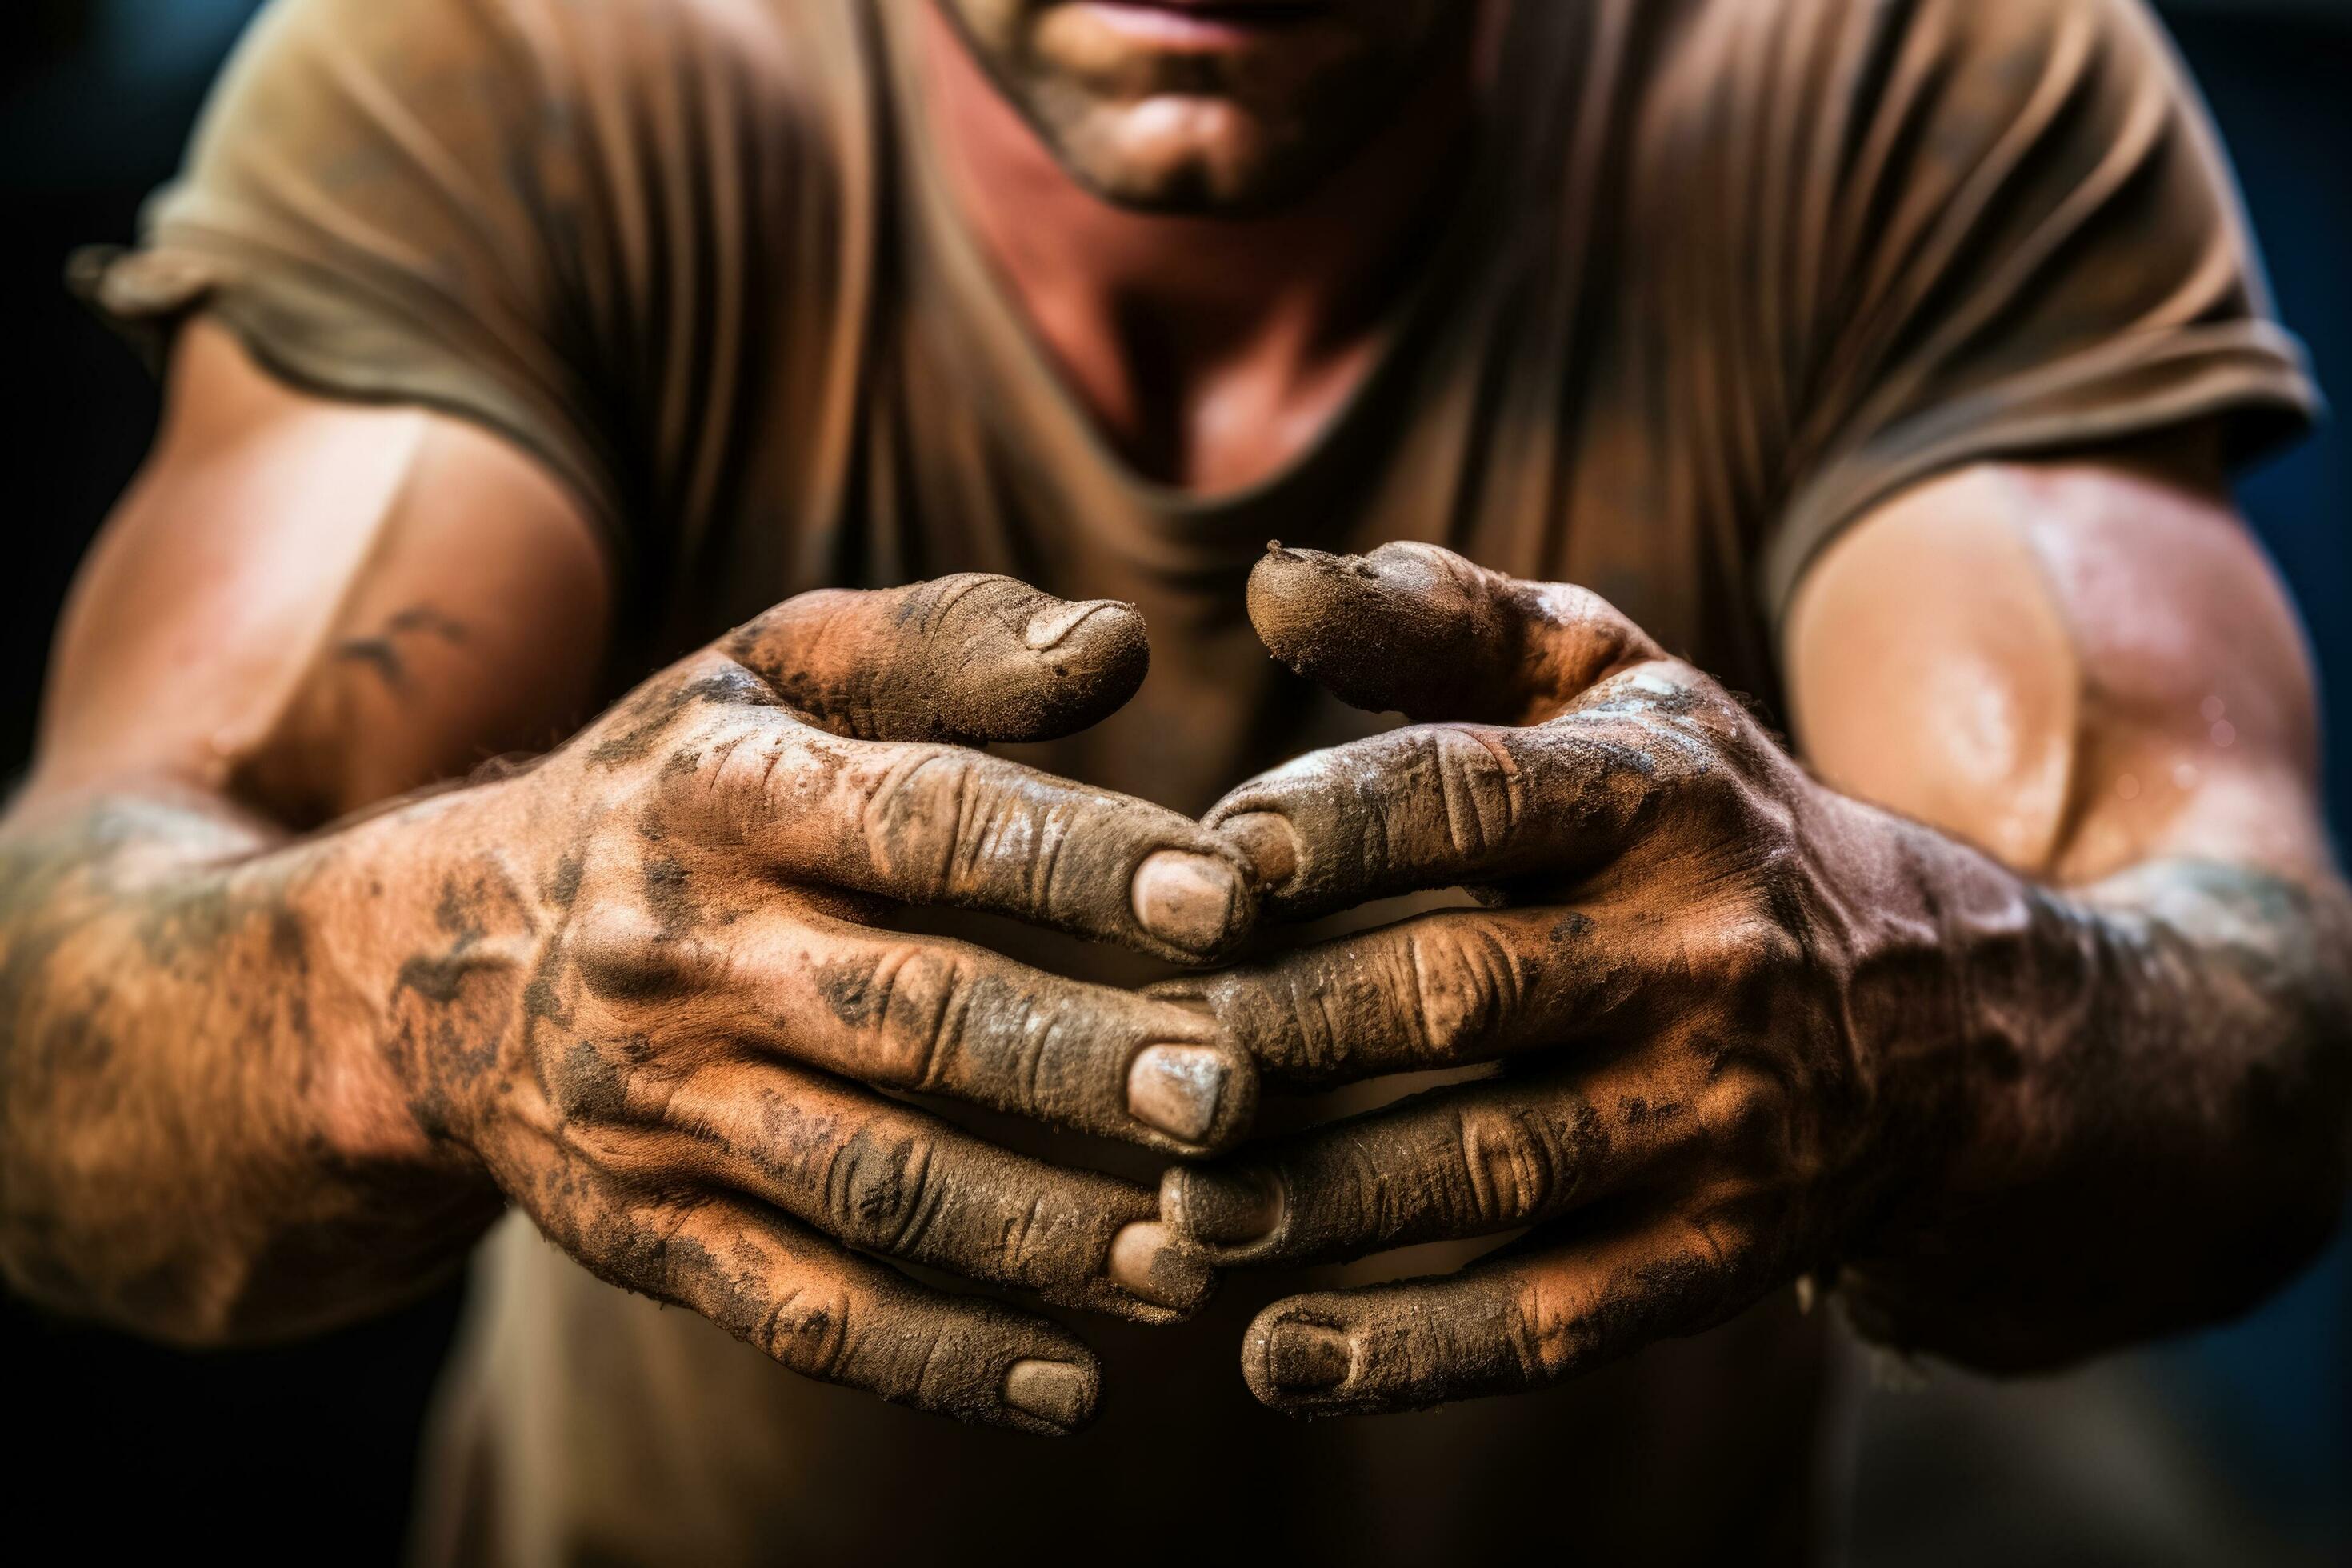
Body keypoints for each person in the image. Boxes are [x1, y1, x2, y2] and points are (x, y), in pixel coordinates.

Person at [3, 0, 2344, 1559]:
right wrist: (440, 978)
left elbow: (2253, 1016)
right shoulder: (522, 62)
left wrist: (1910, 1027)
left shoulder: (1901, 72)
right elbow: (52, 1031)